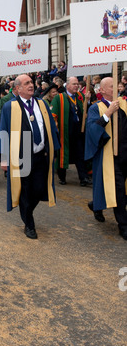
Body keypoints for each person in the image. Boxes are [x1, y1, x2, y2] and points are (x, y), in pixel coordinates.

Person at [0, 74, 60, 239]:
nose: (31, 85)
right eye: (27, 83)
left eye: (31, 82)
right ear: (17, 88)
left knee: (39, 190)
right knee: (25, 191)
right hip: (21, 156)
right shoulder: (9, 107)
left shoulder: (41, 104)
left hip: (41, 155)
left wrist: (54, 149)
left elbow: (51, 128)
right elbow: (3, 132)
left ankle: (27, 212)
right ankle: (29, 224)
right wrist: (4, 158)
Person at [85, 77, 127, 240]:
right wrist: (108, 114)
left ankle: (96, 205)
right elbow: (92, 131)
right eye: (111, 86)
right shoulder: (97, 108)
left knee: (122, 189)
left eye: (117, 85)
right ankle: (123, 225)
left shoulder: (124, 105)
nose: (116, 88)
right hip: (110, 156)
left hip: (125, 153)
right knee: (118, 191)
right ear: (101, 90)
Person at [50, 76, 92, 186]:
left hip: (78, 131)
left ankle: (83, 178)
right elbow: (53, 115)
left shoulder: (80, 96)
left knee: (80, 154)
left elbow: (85, 110)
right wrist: (56, 131)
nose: (76, 86)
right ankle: (62, 177)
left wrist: (87, 101)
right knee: (63, 155)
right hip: (65, 132)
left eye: (77, 84)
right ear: (67, 85)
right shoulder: (59, 98)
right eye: (74, 84)